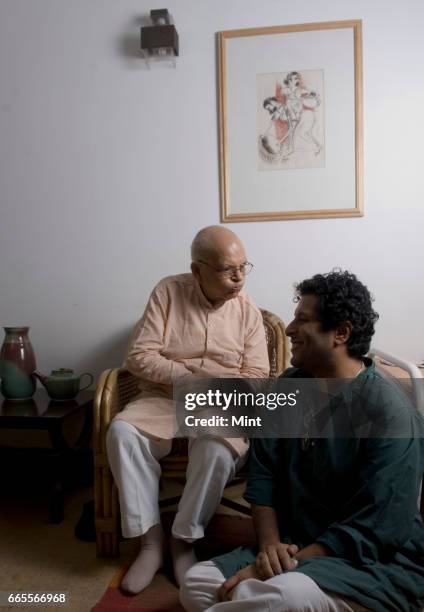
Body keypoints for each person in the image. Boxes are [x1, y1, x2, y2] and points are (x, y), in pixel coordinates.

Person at [181, 270, 424, 612]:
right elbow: (263, 472)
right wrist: (269, 548)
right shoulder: (290, 385)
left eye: (302, 320)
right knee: (197, 584)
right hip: (295, 542)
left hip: (366, 559)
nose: (290, 329)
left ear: (341, 332)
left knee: (276, 596)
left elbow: (373, 530)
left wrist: (266, 572)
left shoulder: (390, 415)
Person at [106, 225, 270, 594]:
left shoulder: (249, 312)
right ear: (197, 270)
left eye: (245, 267)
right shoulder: (168, 292)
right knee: (121, 433)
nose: (239, 277)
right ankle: (150, 542)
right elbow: (140, 356)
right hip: (163, 398)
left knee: (216, 447)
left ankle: (184, 540)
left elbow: (257, 378)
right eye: (228, 269)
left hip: (221, 405)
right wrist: (195, 376)